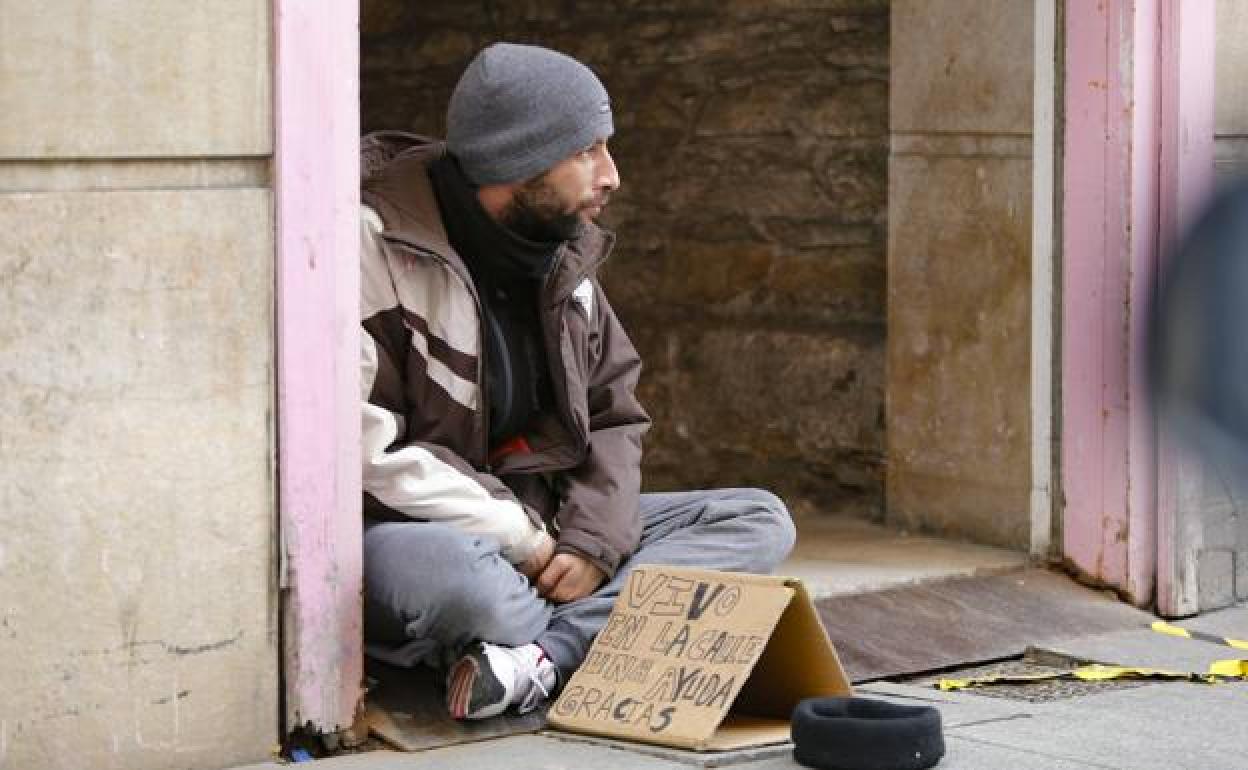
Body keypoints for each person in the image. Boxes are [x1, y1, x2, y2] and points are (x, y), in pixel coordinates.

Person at [359, 42, 796, 721]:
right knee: (464, 585)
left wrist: (592, 543)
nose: (612, 175)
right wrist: (526, 542)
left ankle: (537, 658)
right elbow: (367, 449)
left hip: (545, 525)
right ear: (517, 160)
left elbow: (615, 416)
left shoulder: (563, 253)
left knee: (756, 520)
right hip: (418, 532)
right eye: (587, 151)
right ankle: (557, 633)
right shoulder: (376, 245)